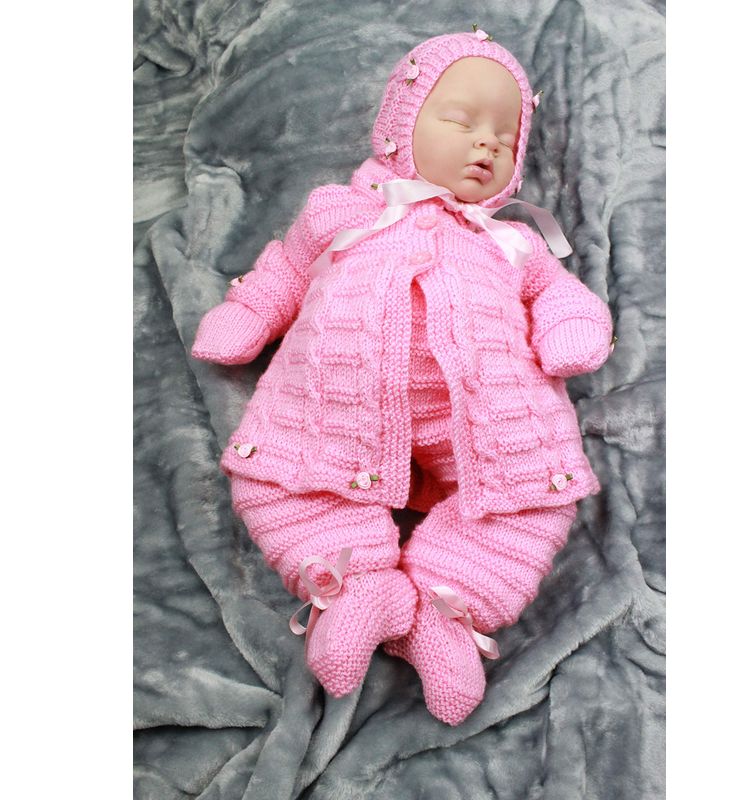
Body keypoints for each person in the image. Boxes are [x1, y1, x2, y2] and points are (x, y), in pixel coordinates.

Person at [192, 29, 613, 726]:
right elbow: (285, 270)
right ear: (399, 130)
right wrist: (248, 313)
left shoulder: (511, 240)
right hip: (339, 395)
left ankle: (447, 613)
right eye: (461, 121)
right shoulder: (341, 211)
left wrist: (571, 328)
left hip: (490, 415)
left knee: (535, 495)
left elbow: (560, 293)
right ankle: (360, 589)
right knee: (277, 474)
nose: (486, 144)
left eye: (505, 137)